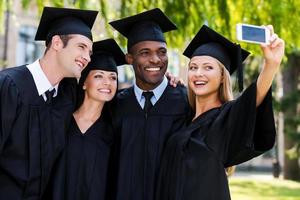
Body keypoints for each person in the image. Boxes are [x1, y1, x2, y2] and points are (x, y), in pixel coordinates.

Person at [156, 24, 285, 200]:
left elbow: (252, 100)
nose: (198, 73)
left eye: (208, 67)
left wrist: (271, 64)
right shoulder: (182, 117)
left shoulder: (226, 118)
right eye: (193, 67)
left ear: (223, 76)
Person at [0, 7, 97, 199]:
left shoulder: (67, 95)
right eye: (81, 47)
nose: (87, 57)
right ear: (57, 43)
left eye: (90, 52)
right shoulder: (9, 86)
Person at [109, 8, 190, 200]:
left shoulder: (186, 101)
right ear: (130, 58)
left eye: (162, 52)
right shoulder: (116, 104)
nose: (156, 59)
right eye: (145, 53)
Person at [47, 38, 126, 200]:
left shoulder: (114, 132)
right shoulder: (60, 122)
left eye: (113, 77)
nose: (107, 82)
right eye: (98, 76)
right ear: (84, 83)